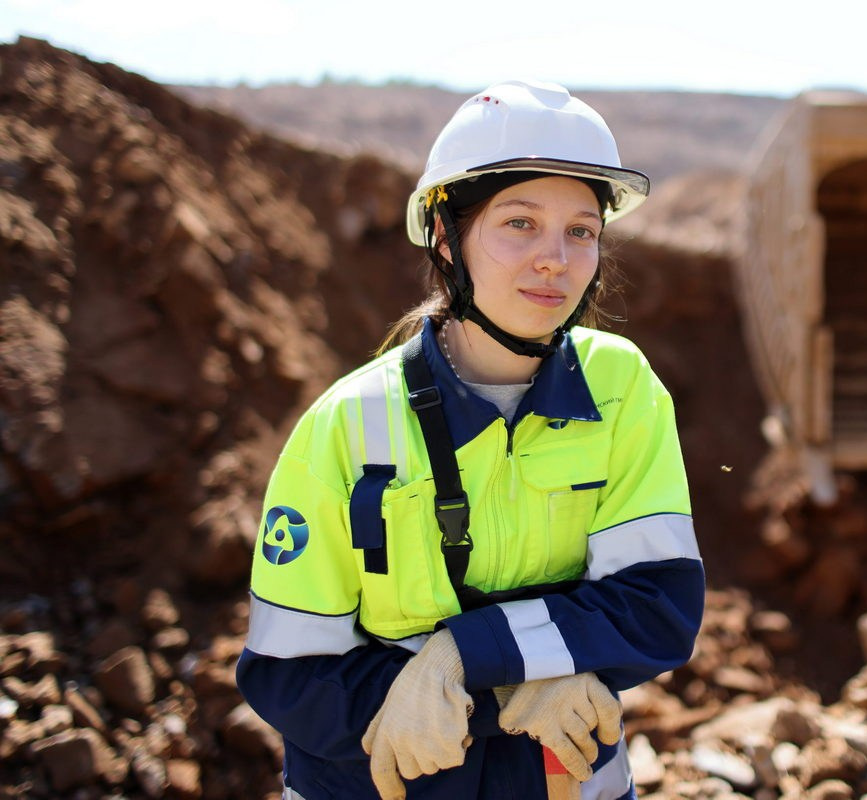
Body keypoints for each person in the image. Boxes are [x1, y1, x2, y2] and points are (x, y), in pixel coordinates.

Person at [236, 79, 705, 800]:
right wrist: (504, 689)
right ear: (445, 237)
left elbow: (658, 604)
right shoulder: (348, 423)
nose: (555, 258)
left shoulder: (621, 388)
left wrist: (464, 654)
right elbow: (288, 672)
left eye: (581, 230)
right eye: (520, 223)